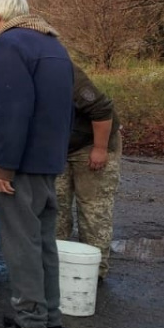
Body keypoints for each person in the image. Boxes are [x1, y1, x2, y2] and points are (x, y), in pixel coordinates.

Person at [0, 0, 73, 328]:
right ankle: (49, 319)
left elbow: (13, 109)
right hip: (48, 160)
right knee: (43, 241)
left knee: (21, 247)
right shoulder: (52, 43)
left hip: (20, 165)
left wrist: (4, 167)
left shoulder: (9, 45)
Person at [57, 64, 121, 281]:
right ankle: (58, 263)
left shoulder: (64, 72)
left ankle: (94, 271)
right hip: (59, 147)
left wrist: (100, 149)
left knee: (93, 210)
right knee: (55, 206)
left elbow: (102, 109)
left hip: (92, 143)